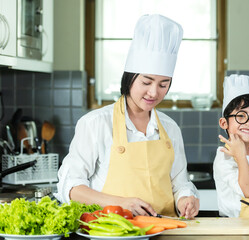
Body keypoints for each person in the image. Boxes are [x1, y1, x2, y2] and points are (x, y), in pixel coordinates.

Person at [55, 14, 200, 219]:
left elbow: (180, 183)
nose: (153, 93)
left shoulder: (170, 128)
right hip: (111, 231)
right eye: (146, 82)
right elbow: (70, 187)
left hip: (165, 231)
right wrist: (120, 203)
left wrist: (186, 198)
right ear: (130, 77)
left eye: (163, 84)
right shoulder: (96, 123)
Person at [213, 74, 249, 218]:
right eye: (241, 116)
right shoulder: (224, 157)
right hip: (235, 227)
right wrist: (240, 155)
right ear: (224, 123)